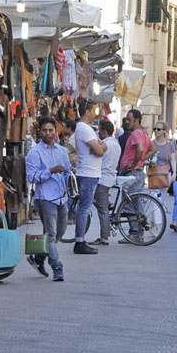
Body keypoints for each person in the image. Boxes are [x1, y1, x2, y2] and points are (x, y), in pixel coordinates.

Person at [25, 116, 71, 281]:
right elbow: (32, 177)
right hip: (45, 198)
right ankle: (56, 266)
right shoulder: (34, 153)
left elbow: (67, 172)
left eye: (51, 130)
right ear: (40, 131)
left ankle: (39, 257)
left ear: (55, 130)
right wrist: (50, 171)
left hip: (61, 197)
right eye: (44, 130)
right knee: (51, 234)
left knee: (60, 231)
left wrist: (70, 180)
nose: (48, 133)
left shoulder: (62, 151)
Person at [72, 100, 106, 254]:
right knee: (84, 208)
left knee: (84, 208)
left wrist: (100, 147)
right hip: (87, 173)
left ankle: (80, 240)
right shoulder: (84, 128)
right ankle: (80, 241)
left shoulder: (87, 128)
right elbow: (99, 150)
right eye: (94, 110)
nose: (95, 114)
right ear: (86, 112)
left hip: (90, 173)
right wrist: (100, 148)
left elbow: (101, 146)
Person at [118, 109, 156, 242]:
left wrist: (135, 163)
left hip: (133, 172)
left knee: (129, 203)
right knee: (135, 201)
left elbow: (140, 148)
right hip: (136, 171)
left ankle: (136, 232)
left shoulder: (135, 134)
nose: (127, 122)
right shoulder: (144, 134)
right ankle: (137, 232)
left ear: (137, 120)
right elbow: (153, 149)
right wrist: (141, 160)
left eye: (129, 119)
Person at [94, 120, 120, 246]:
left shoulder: (105, 145)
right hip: (110, 177)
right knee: (102, 205)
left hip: (102, 178)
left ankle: (104, 236)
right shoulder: (116, 143)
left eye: (99, 130)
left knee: (102, 209)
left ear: (104, 132)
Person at [148, 120, 175, 217]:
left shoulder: (170, 145)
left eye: (158, 129)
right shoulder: (151, 144)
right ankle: (158, 224)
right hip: (154, 174)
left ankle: (154, 222)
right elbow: (145, 158)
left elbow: (173, 160)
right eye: (154, 129)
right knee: (155, 200)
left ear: (164, 131)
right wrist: (149, 162)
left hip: (165, 175)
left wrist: (174, 173)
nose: (155, 131)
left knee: (160, 200)